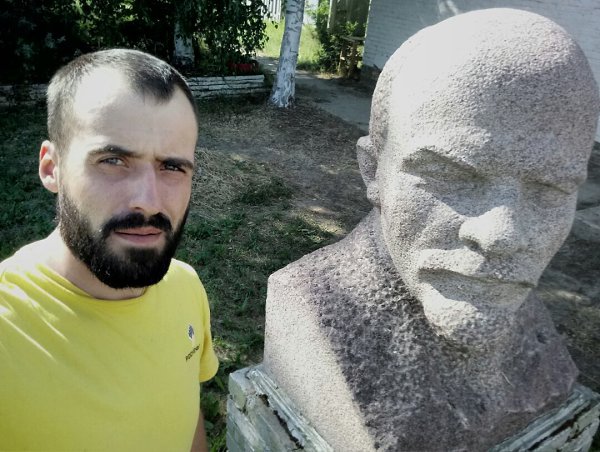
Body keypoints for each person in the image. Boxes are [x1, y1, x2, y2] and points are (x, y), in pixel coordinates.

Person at [262, 9, 600, 451]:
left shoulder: (528, 329)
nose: (502, 235)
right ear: (373, 170)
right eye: (451, 176)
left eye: (551, 189)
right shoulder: (314, 308)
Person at [0, 49, 218, 451]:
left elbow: (187, 416)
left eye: (172, 167)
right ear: (51, 168)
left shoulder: (186, 287)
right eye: (113, 160)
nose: (148, 202)